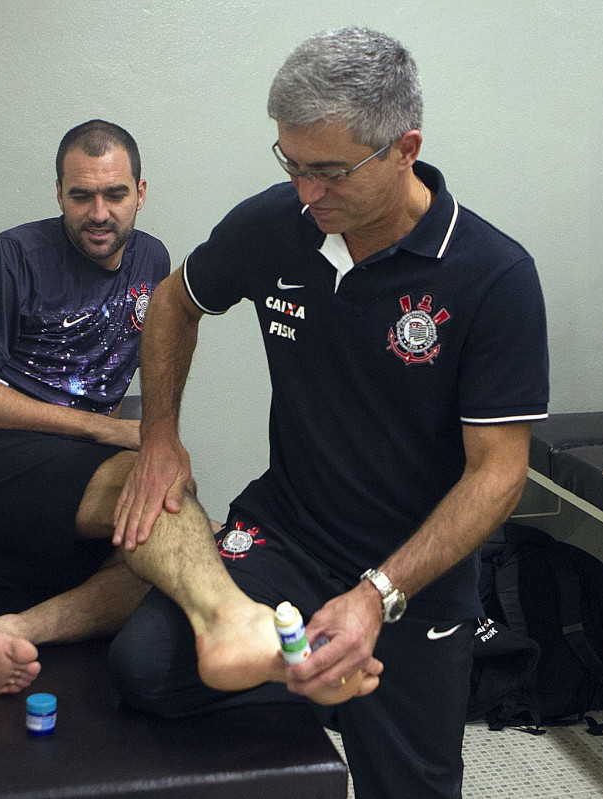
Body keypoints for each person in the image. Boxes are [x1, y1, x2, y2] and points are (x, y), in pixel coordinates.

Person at [108, 28, 548, 799]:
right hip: (288, 531)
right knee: (143, 666)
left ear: (405, 147)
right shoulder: (276, 225)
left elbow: (500, 475)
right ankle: (297, 663)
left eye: (332, 171)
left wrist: (377, 595)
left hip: (417, 569)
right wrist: (160, 435)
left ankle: (315, 663)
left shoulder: (493, 275)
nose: (308, 192)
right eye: (292, 164)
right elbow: (173, 303)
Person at [0, 119, 169, 696]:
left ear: (141, 193)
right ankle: (235, 625)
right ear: (58, 194)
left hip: (49, 494)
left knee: (164, 565)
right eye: (81, 196)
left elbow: (113, 368)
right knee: (161, 499)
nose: (99, 212)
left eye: (115, 194)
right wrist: (104, 432)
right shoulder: (14, 255)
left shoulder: (152, 262)